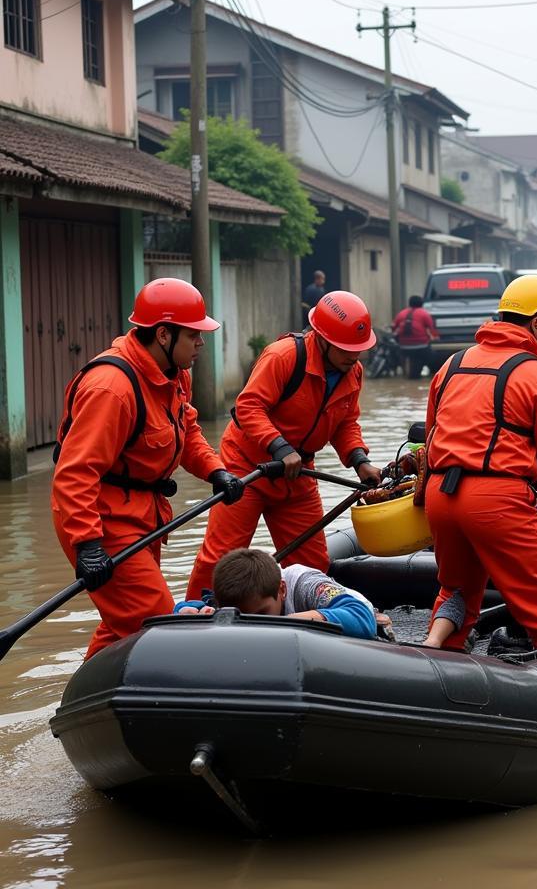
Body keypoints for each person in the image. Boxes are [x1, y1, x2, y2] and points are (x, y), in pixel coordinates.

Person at [51, 278, 244, 659]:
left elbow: (185, 430)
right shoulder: (112, 389)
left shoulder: (174, 374)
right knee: (154, 622)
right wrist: (88, 544)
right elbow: (75, 473)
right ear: (163, 335)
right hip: (101, 521)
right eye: (194, 336)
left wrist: (215, 470)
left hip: (142, 514)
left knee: (121, 625)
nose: (202, 345)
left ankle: (79, 705)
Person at [420, 274, 537, 653]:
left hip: (441, 496)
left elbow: (432, 436)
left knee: (456, 590)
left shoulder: (450, 365)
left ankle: (437, 662)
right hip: (498, 502)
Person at [186, 291, 382, 601]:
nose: (354, 356)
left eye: (358, 349)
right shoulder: (283, 356)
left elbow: (345, 423)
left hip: (298, 473)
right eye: (346, 349)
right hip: (248, 469)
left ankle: (307, 622)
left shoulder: (352, 372)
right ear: (323, 339)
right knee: (219, 558)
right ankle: (194, 616)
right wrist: (279, 447)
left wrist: (360, 461)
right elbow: (248, 407)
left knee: (313, 563)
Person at [176, 549, 378, 639]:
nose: (254, 624)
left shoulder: (306, 585)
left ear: (282, 590)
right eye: (244, 617)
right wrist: (190, 612)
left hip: (362, 613)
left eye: (262, 614)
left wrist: (294, 621)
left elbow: (361, 617)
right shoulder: (232, 599)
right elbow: (192, 606)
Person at [392, 294, 439, 378]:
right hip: (421, 346)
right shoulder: (424, 313)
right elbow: (431, 328)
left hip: (404, 347)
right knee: (434, 359)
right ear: (421, 303)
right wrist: (436, 337)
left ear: (409, 303)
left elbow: (394, 327)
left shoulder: (401, 313)